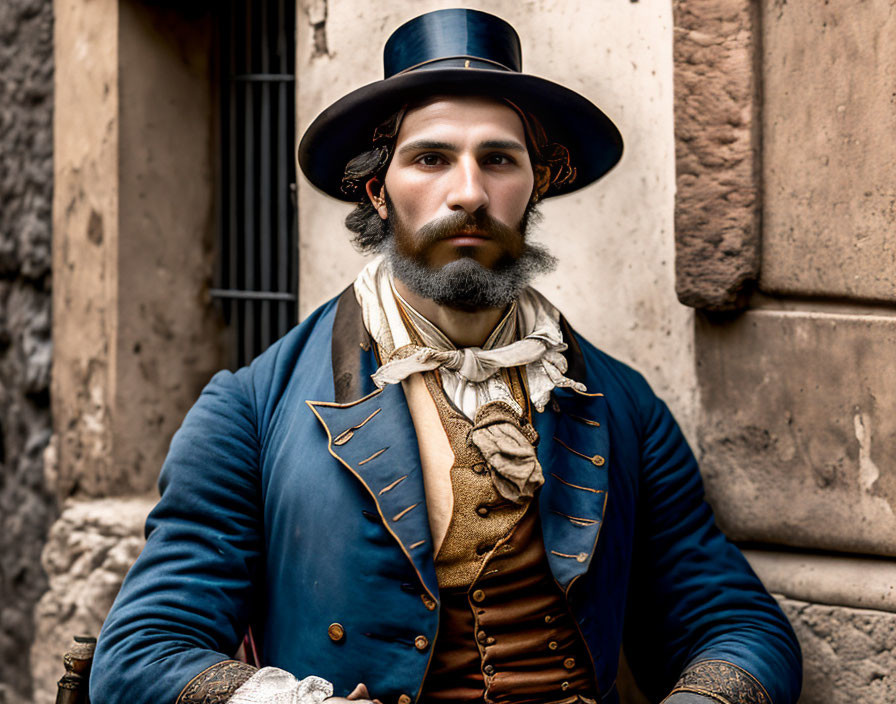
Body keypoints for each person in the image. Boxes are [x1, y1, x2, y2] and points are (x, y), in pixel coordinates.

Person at [90, 9, 801, 704]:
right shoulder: (249, 409)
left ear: (536, 184)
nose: (469, 192)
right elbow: (143, 653)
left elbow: (737, 625)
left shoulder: (623, 406)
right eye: (432, 158)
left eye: (499, 160)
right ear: (378, 188)